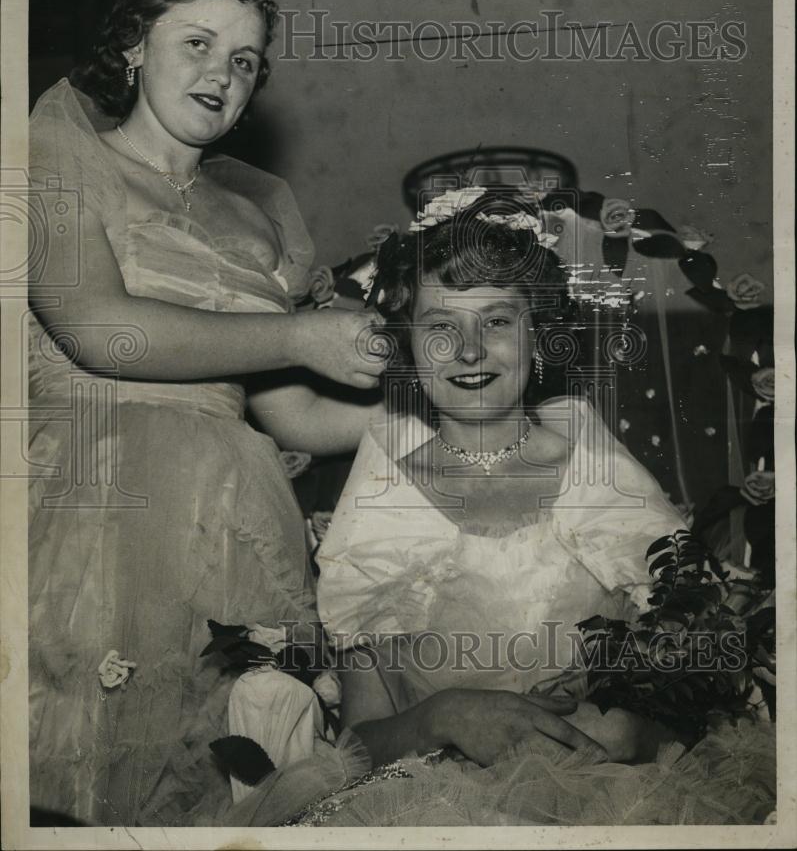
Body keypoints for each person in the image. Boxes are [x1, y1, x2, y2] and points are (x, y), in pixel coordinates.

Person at [222, 186, 775, 827]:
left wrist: (634, 730)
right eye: (440, 327)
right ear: (406, 348)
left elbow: (701, 696)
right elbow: (356, 744)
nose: (470, 350)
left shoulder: (594, 471)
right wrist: (442, 716)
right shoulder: (383, 493)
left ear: (538, 334)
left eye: (498, 321)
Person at [27, 0, 386, 826]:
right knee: (84, 775)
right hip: (97, 503)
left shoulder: (258, 216)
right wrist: (302, 333)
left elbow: (288, 410)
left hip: (237, 514)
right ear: (131, 53)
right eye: (196, 43)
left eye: (245, 60)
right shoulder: (51, 165)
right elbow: (101, 331)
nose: (221, 73)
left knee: (225, 779)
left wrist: (433, 405)